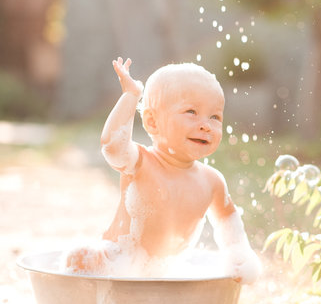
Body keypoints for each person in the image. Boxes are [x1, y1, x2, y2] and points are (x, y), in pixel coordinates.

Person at [62, 57, 261, 284]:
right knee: (81, 258)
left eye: (215, 116)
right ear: (153, 122)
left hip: (169, 272)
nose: (206, 124)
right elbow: (112, 146)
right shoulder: (141, 164)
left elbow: (229, 221)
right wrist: (131, 95)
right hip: (117, 266)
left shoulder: (212, 181)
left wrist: (240, 259)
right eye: (191, 112)